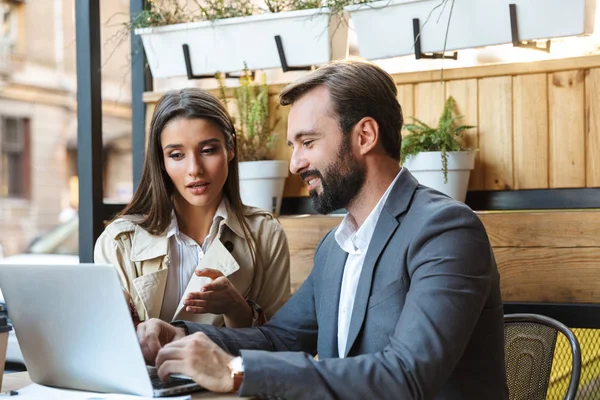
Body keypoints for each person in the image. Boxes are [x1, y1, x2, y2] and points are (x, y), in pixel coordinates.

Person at [136, 60, 508, 399]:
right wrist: (184, 334)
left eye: (308, 142)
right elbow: (279, 338)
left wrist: (236, 370)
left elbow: (407, 375)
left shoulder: (445, 230)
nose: (296, 163)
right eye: (293, 146)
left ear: (364, 136)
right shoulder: (336, 246)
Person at [94, 88, 291, 329]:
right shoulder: (119, 242)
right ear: (162, 161)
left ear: (230, 149)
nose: (194, 168)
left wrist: (236, 309)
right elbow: (113, 346)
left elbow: (280, 343)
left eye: (208, 150)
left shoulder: (265, 235)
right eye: (176, 155)